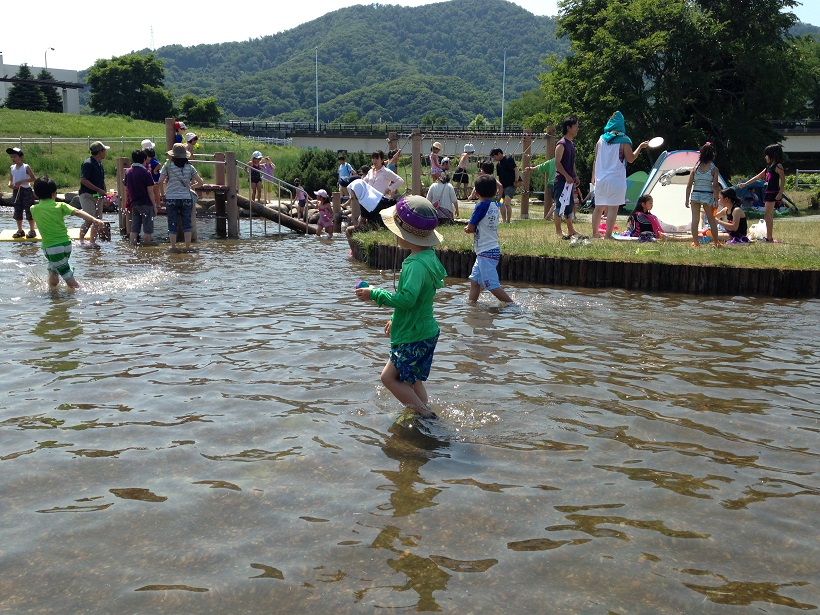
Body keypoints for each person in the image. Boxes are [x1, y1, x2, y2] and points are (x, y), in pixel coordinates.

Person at [354, 195, 446, 419]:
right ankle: (422, 414)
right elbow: (417, 300)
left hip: (413, 335)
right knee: (412, 380)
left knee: (388, 378)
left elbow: (407, 299)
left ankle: (425, 415)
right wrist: (396, 319)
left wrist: (375, 293)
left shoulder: (414, 265)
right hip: (425, 330)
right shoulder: (428, 256)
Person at [30, 176, 105, 289]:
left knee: (68, 277)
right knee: (53, 271)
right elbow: (78, 212)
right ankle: (53, 292)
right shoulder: (61, 206)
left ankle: (82, 294)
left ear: (35, 194)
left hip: (52, 248)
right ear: (55, 193)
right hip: (66, 245)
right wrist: (94, 219)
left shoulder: (33, 209)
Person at [591, 111, 649, 239]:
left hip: (600, 179)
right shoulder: (624, 140)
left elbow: (596, 159)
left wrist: (593, 176)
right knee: (613, 208)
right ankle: (608, 235)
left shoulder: (600, 139)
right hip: (616, 179)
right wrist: (640, 147)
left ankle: (595, 234)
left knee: (598, 208)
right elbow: (631, 158)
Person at [465, 174, 514, 306]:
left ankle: (512, 305)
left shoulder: (480, 206)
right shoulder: (495, 205)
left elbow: (471, 227)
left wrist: (467, 229)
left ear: (476, 193)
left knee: (491, 284)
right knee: (475, 281)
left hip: (485, 251)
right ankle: (471, 305)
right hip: (489, 250)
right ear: (495, 192)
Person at [160, 143, 203, 251]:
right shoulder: (190, 167)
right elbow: (201, 182)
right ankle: (187, 247)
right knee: (187, 224)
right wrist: (192, 186)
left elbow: (160, 181)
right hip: (186, 198)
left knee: (172, 223)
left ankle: (173, 247)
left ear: (173, 155)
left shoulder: (168, 165)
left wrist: (162, 194)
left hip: (171, 197)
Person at [739, 144, 785, 243]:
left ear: (772, 155)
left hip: (773, 193)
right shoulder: (768, 167)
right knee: (768, 215)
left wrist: (780, 193)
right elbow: (757, 177)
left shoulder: (778, 166)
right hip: (767, 192)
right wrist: (745, 184)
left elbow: (783, 180)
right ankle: (769, 237)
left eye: (766, 155)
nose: (765, 157)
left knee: (767, 215)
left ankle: (769, 238)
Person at [685, 142, 722, 247]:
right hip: (707, 195)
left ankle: (696, 242)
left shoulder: (695, 168)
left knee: (695, 220)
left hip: (695, 195)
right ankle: (715, 242)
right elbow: (715, 186)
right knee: (711, 220)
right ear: (712, 155)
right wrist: (715, 200)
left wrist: (687, 199)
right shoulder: (714, 169)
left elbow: (688, 185)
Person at [344, 179, 396, 250]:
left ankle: (354, 251)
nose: (352, 194)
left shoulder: (364, 201)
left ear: (358, 190)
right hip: (387, 224)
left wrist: (358, 227)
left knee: (348, 230)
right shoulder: (376, 196)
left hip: (377, 227)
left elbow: (362, 221)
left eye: (353, 192)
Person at [552, 115, 581, 239]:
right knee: (559, 205)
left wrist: (575, 176)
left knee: (569, 205)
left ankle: (571, 230)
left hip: (569, 181)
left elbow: (572, 162)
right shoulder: (561, 144)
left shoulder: (571, 144)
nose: (577, 129)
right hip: (561, 181)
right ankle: (558, 231)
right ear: (568, 128)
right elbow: (557, 162)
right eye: (576, 126)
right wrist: (567, 176)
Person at [77, 141, 109, 248]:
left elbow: (101, 180)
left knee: (98, 219)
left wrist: (105, 191)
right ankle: (81, 241)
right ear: (100, 152)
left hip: (98, 196)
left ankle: (92, 242)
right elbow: (83, 180)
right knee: (89, 219)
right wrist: (98, 189)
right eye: (104, 151)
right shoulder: (88, 164)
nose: (105, 153)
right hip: (87, 195)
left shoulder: (100, 164)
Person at [125, 150, 158, 246]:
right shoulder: (145, 172)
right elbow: (150, 192)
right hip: (146, 203)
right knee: (147, 230)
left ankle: (133, 246)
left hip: (134, 203)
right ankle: (147, 248)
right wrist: (154, 206)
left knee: (134, 228)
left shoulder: (128, 172)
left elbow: (126, 186)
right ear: (144, 160)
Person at [6, 147, 37, 238]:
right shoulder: (12, 168)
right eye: (12, 157)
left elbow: (33, 178)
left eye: (15, 156)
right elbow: (10, 180)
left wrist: (22, 181)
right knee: (17, 210)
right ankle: (20, 230)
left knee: (29, 210)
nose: (13, 158)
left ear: (21, 157)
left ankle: (32, 230)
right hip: (16, 191)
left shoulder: (26, 167)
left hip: (26, 191)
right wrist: (10, 185)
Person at [490, 147, 517, 224]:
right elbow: (500, 177)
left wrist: (516, 180)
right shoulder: (498, 165)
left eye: (494, 156)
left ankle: (508, 221)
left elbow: (516, 169)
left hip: (510, 185)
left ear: (499, 153)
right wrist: (499, 188)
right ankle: (504, 220)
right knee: (500, 203)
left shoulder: (509, 159)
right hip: (503, 186)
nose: (494, 158)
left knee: (507, 203)